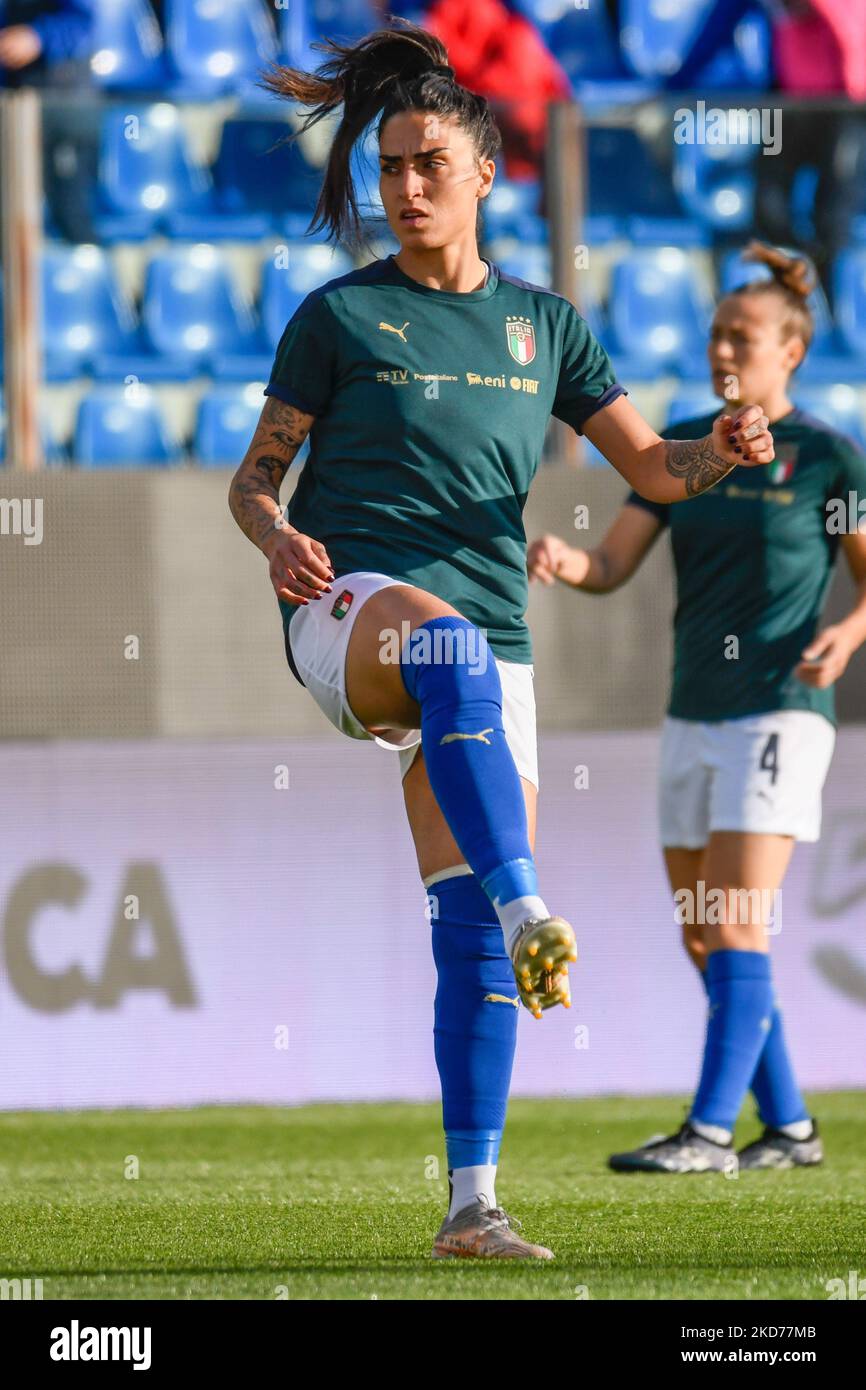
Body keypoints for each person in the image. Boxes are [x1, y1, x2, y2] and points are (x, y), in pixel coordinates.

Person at [227, 21, 773, 1257]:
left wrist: (722, 450)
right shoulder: (337, 316)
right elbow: (255, 479)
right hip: (346, 608)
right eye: (387, 167)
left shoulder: (546, 327)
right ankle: (538, 909)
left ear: (484, 171)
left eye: (427, 163)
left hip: (490, 643)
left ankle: (471, 1204)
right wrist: (271, 536)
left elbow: (653, 467)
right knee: (449, 662)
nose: (404, 186)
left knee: (463, 918)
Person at [528, 242, 866, 1174]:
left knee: (735, 921)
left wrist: (847, 633)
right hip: (694, 710)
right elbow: (615, 565)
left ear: (790, 352)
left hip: (779, 708)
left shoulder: (826, 458)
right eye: (717, 335)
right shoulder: (687, 446)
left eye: (743, 337)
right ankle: (790, 1126)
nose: (725, 351)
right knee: (700, 930)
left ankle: (709, 1132)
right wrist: (570, 562)